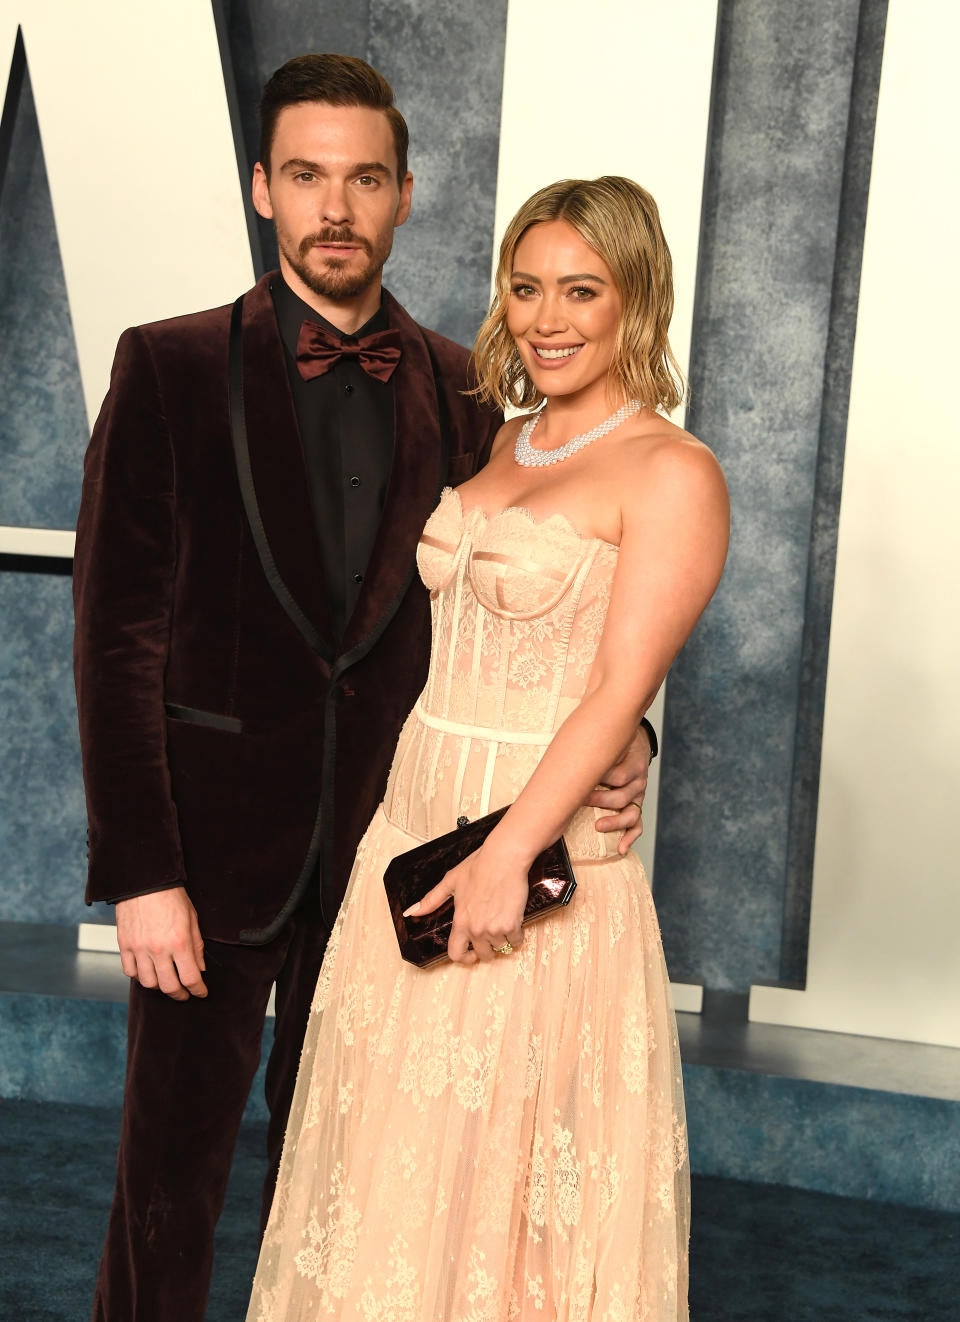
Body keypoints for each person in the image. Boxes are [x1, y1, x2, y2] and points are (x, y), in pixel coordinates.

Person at [73, 57, 655, 1321]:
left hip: (399, 852)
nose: (336, 206)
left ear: (404, 196)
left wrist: (634, 734)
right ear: (261, 190)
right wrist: (142, 870)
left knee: (350, 1180)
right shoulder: (166, 367)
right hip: (208, 857)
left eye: (365, 178)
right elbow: (114, 639)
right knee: (165, 1188)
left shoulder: (469, 393)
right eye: (306, 176)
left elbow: (534, 604)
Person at [246, 176, 729, 1321]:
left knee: (510, 1199)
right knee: (388, 1168)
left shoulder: (674, 472)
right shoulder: (492, 435)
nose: (548, 317)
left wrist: (514, 850)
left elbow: (621, 682)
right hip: (406, 837)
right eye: (526, 288)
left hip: (531, 864)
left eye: (581, 290)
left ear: (637, 301)